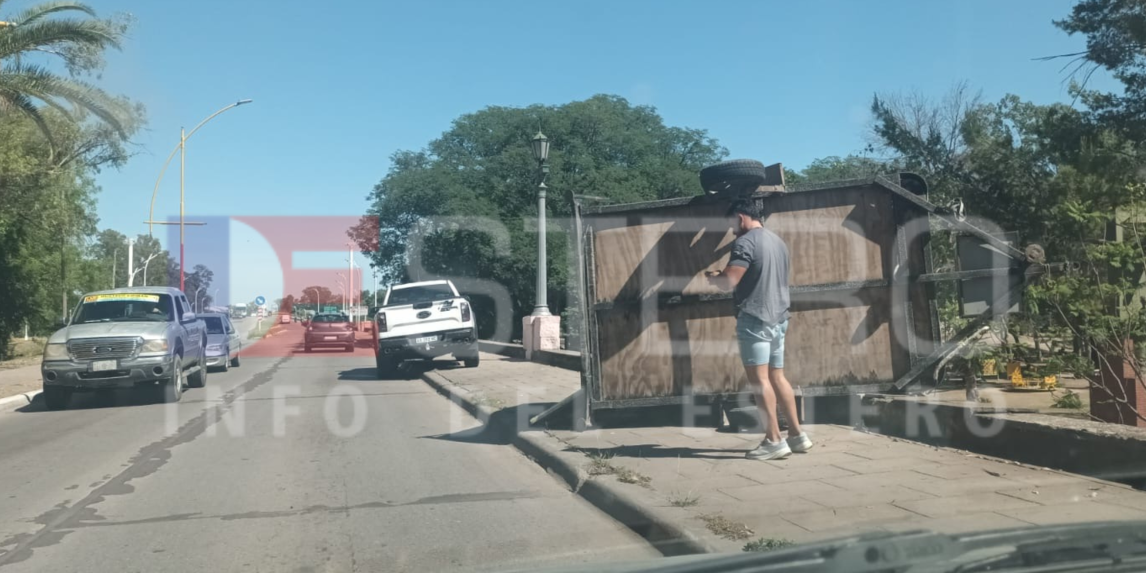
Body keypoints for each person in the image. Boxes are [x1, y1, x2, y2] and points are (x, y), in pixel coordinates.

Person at [706, 199, 812, 460]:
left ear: (741, 218)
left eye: (731, 224)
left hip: (755, 319)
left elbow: (729, 282)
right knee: (778, 377)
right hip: (779, 318)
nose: (731, 230)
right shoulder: (777, 241)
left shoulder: (745, 242)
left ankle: (774, 440)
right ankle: (797, 436)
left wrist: (714, 277)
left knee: (760, 381)